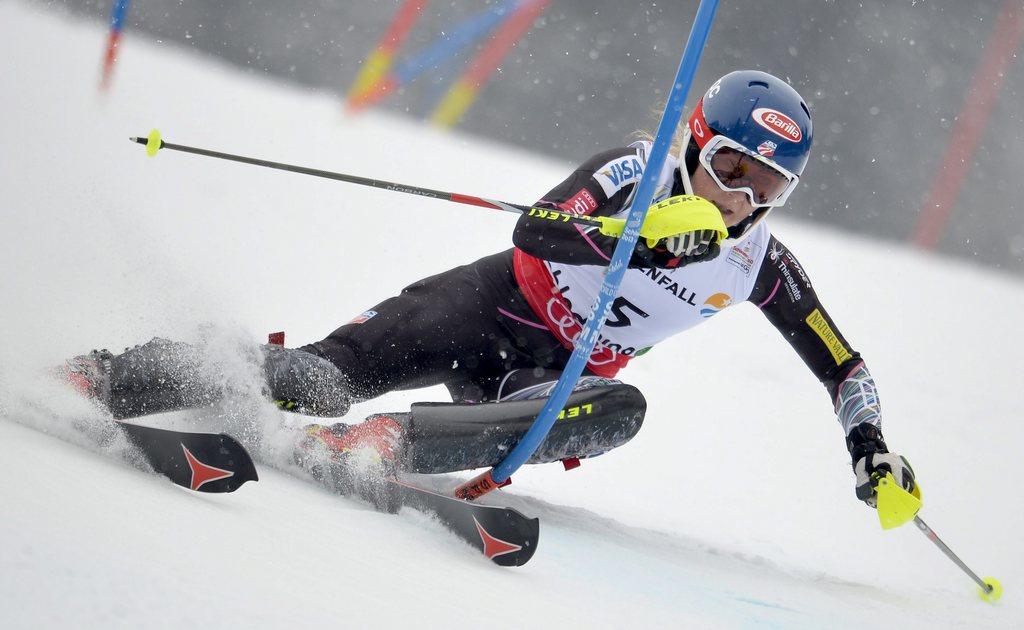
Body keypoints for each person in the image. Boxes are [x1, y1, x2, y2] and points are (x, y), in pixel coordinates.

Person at [66, 70, 915, 508]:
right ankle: (109, 373)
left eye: (768, 188)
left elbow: (843, 365)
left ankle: (387, 441)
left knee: (618, 411)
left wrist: (869, 446)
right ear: (699, 141)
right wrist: (633, 231)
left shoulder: (759, 263)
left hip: (543, 377)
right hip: (489, 302)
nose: (741, 197)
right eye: (733, 166)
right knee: (314, 378)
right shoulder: (641, 169)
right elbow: (537, 228)